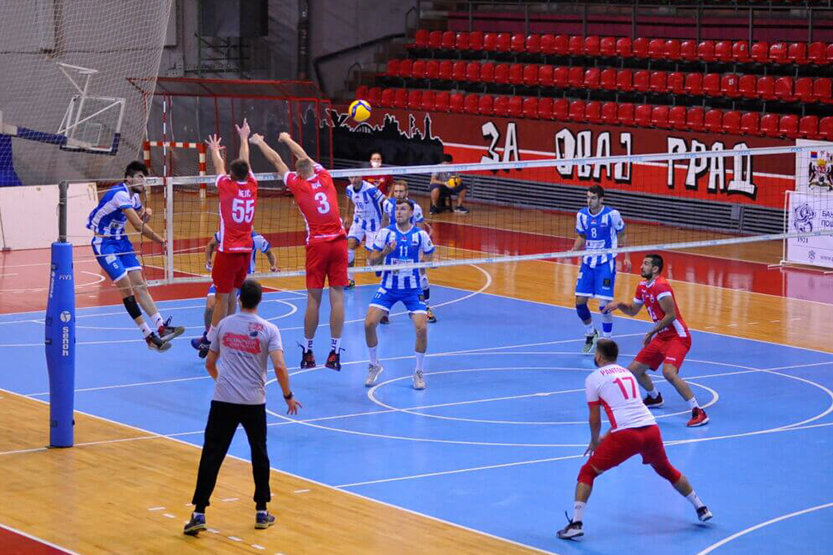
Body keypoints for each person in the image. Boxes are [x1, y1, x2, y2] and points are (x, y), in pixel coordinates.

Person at [556, 338, 712, 540]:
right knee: (667, 469)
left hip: (626, 435)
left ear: (599, 357)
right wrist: (606, 436)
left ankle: (576, 523)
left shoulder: (593, 379)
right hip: (651, 429)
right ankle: (701, 507)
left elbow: (594, 418)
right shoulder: (627, 373)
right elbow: (630, 410)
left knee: (587, 472)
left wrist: (595, 440)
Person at [184, 279, 301, 536]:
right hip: (253, 402)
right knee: (259, 454)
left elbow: (209, 363)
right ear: (260, 300)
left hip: (223, 400)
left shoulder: (224, 325)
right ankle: (261, 511)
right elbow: (280, 366)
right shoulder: (270, 329)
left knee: (212, 455)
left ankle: (199, 513)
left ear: (239, 299)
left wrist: (223, 382)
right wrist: (288, 396)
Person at [250, 131, 347, 371]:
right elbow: (303, 155)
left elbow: (277, 160)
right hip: (339, 242)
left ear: (299, 173)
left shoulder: (297, 184)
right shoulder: (325, 176)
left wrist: (260, 141)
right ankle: (335, 353)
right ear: (313, 167)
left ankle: (308, 351)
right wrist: (286, 138)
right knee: (337, 297)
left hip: (317, 245)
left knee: (313, 299)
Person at [87, 161, 184, 351]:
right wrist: (161, 241)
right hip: (105, 244)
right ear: (129, 179)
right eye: (140, 177)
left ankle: (161, 327)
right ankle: (148, 335)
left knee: (140, 284)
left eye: (144, 178)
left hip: (122, 241)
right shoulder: (120, 194)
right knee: (126, 287)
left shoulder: (135, 197)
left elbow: (140, 220)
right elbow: (139, 226)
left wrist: (146, 214)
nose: (143, 181)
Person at [603, 254, 709, 427]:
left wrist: (651, 332)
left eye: (645, 264)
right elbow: (633, 311)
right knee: (634, 371)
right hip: (661, 336)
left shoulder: (661, 286)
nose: (641, 266)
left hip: (678, 336)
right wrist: (619, 304)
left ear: (655, 269)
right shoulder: (642, 286)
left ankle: (698, 411)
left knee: (669, 372)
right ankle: (655, 397)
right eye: (642, 263)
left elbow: (671, 315)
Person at [199, 119, 258, 358]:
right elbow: (245, 161)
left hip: (228, 251)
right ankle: (230, 337)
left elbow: (219, 167)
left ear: (232, 176)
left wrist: (214, 150)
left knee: (221, 298)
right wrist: (244, 138)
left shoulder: (227, 186)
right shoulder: (252, 185)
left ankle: (211, 340)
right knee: (233, 296)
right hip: (245, 251)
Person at [364, 199, 435, 390]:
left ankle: (418, 371)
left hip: (413, 289)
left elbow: (430, 254)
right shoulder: (385, 233)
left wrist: (425, 263)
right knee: (369, 324)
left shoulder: (420, 235)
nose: (399, 212)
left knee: (422, 328)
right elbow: (372, 261)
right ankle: (374, 365)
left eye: (403, 209)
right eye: (397, 209)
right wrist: (385, 252)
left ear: (411, 213)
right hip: (388, 287)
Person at [191, 230, 278, 356]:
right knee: (210, 306)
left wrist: (274, 265)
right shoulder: (226, 232)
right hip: (224, 274)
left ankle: (223, 340)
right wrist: (208, 260)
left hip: (242, 279)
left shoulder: (257, 238)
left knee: (227, 308)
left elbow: (270, 253)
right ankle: (209, 338)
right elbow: (210, 244)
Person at [571, 185, 631, 354]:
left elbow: (622, 234)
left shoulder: (612, 214)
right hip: (588, 263)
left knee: (604, 305)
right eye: (588, 197)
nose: (589, 201)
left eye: (593, 198)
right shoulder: (581, 215)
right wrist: (574, 249)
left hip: (606, 263)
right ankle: (591, 333)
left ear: (601, 199)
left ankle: (607, 340)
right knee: (579, 302)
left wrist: (627, 257)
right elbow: (582, 236)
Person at [382, 180, 436, 324]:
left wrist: (422, 252)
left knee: (422, 276)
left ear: (406, 192)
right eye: (396, 191)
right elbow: (385, 220)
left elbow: (420, 228)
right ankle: (384, 312)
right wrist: (380, 241)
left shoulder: (415, 207)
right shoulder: (387, 204)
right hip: (393, 246)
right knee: (388, 277)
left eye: (401, 191)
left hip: (412, 246)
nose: (398, 194)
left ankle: (426, 307)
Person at [344, 174, 386, 289]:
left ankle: (382, 265)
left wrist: (386, 221)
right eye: (351, 177)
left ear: (361, 177)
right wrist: (347, 215)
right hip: (358, 221)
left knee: (372, 261)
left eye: (356, 177)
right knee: (350, 245)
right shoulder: (349, 189)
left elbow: (385, 202)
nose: (354, 180)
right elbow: (348, 198)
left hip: (374, 224)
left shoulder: (371, 190)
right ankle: (350, 280)